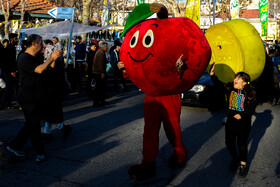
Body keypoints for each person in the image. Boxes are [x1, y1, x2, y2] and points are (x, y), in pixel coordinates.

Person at [7, 34, 61, 162]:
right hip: (27, 96)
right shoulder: (24, 58)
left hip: (37, 94)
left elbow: (47, 70)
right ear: (34, 44)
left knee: (31, 123)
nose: (42, 45)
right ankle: (39, 151)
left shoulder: (35, 57)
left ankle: (15, 145)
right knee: (34, 123)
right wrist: (50, 59)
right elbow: (40, 70)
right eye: (41, 43)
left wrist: (54, 59)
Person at [209, 63, 257, 177]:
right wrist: (212, 74)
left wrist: (242, 115)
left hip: (243, 123)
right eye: (236, 77)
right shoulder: (230, 88)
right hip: (230, 122)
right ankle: (235, 158)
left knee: (242, 144)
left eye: (239, 78)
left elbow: (251, 110)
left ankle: (243, 165)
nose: (235, 79)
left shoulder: (250, 94)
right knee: (229, 143)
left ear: (244, 83)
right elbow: (218, 84)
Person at [42, 37, 72, 141]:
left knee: (51, 113)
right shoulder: (49, 64)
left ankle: (61, 129)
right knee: (49, 114)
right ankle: (48, 132)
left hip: (53, 93)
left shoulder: (56, 65)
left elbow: (55, 79)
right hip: (50, 93)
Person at [0, 33, 19, 110]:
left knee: (10, 88)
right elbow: (8, 61)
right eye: (15, 38)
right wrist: (12, 71)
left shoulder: (11, 47)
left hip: (10, 71)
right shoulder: (9, 48)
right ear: (11, 39)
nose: (17, 40)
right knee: (8, 88)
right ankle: (3, 103)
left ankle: (8, 103)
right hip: (9, 71)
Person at [92, 42, 108, 106]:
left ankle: (101, 100)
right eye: (106, 46)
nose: (107, 48)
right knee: (99, 88)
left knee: (100, 88)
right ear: (104, 47)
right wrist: (102, 72)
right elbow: (101, 64)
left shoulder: (99, 52)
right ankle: (97, 102)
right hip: (98, 72)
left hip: (97, 72)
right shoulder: (101, 53)